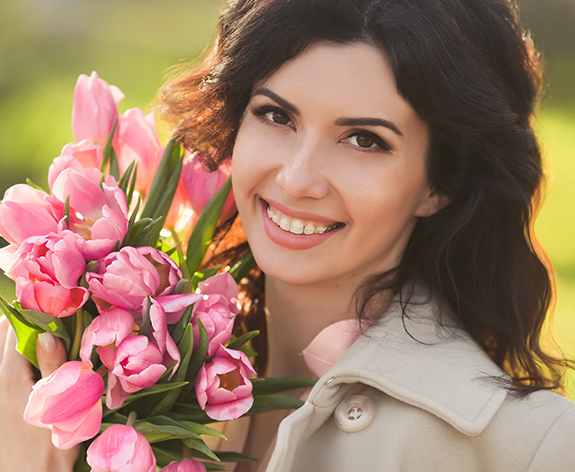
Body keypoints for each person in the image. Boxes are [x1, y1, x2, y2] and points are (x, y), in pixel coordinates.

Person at [1, 0, 574, 470]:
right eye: (277, 116)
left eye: (365, 140)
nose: (297, 179)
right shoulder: (93, 382)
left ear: (440, 184)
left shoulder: (531, 448)